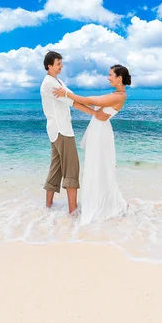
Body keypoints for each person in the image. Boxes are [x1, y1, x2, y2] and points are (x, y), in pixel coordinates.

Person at [53, 64, 131, 225]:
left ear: (119, 78)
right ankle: (96, 202)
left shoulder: (120, 96)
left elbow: (90, 100)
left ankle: (105, 205)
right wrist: (67, 97)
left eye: (111, 75)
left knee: (99, 167)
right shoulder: (114, 93)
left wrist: (66, 93)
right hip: (98, 131)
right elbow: (88, 104)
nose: (108, 77)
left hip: (101, 134)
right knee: (95, 167)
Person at [40, 51, 109, 214]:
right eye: (58, 63)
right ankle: (73, 211)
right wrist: (95, 113)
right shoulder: (51, 84)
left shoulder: (57, 81)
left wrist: (93, 106)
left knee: (56, 168)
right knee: (72, 169)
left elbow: (73, 97)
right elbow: (73, 102)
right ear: (49, 66)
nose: (61, 66)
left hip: (55, 131)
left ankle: (48, 207)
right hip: (62, 131)